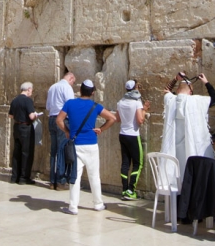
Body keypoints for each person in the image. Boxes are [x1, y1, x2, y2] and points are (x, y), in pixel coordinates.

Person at [57, 80, 117, 214]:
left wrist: (67, 131)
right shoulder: (95, 106)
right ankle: (98, 204)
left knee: (75, 176)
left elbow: (59, 120)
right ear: (92, 93)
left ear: (80, 90)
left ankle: (73, 207)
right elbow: (112, 118)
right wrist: (101, 129)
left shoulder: (70, 104)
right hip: (91, 144)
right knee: (94, 176)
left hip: (76, 145)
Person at [161, 72, 215, 175]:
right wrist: (206, 82)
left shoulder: (171, 100)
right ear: (191, 91)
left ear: (178, 90)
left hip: (174, 150)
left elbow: (166, 90)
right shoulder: (197, 101)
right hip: (192, 148)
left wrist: (175, 78)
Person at [116, 80, 149, 200]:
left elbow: (118, 118)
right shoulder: (137, 102)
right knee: (137, 164)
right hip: (133, 135)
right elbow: (140, 120)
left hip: (122, 134)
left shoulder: (120, 102)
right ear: (134, 88)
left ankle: (124, 189)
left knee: (125, 163)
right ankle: (131, 190)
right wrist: (144, 109)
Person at [47, 72, 76, 190]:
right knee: (62, 150)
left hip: (51, 119)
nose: (73, 84)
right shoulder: (67, 87)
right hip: (62, 120)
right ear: (71, 78)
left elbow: (48, 106)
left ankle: (52, 181)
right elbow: (70, 106)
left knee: (53, 151)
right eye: (73, 82)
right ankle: (60, 180)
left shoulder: (52, 87)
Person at [9, 82, 41, 185]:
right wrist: (36, 115)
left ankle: (15, 177)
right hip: (26, 127)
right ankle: (23, 178)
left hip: (17, 126)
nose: (31, 92)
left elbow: (10, 116)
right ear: (28, 89)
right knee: (26, 152)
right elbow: (31, 116)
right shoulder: (28, 100)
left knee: (17, 152)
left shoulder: (14, 100)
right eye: (31, 90)